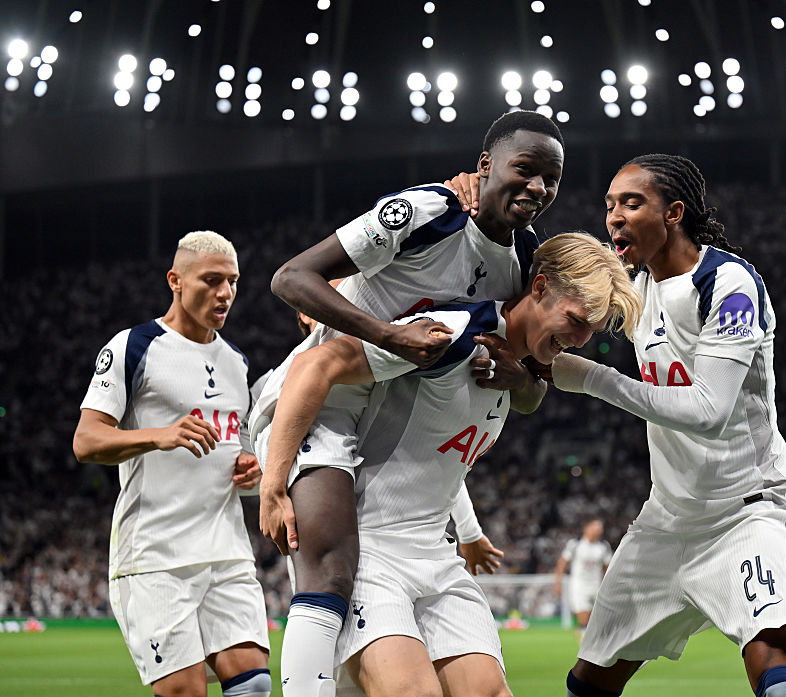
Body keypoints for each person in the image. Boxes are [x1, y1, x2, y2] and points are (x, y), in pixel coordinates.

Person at [259, 110, 565, 696]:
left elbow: (522, 387)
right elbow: (292, 279)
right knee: (332, 563)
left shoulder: (523, 263)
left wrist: (520, 381)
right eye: (524, 170)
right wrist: (385, 333)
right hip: (318, 394)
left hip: (387, 407)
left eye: (550, 180)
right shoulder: (427, 212)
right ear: (485, 166)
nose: (538, 188)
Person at [255, 232, 641, 697]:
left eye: (591, 332)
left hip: (437, 557)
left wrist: (471, 533)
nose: (579, 340)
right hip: (371, 553)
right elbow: (315, 366)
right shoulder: (455, 336)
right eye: (576, 320)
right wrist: (273, 483)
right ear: (538, 288)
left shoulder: (517, 370)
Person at [542, 154, 786, 697]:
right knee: (588, 683)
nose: (614, 217)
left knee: (778, 660)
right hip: (666, 521)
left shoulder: (728, 281)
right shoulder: (637, 290)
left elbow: (708, 412)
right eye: (609, 206)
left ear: (673, 212)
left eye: (631, 202)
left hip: (746, 511)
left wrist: (592, 378)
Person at [72, 231, 271, 697]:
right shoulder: (134, 346)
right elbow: (86, 440)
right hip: (156, 555)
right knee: (185, 691)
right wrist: (158, 436)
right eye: (211, 280)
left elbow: (237, 451)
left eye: (233, 281)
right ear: (175, 281)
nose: (225, 293)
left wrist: (250, 470)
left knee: (255, 683)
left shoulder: (236, 362)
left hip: (225, 549)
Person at [552, 518, 612, 640]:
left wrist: (608, 585)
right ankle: (586, 651)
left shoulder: (603, 547)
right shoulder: (575, 545)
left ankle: (588, 642)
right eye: (595, 526)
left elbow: (608, 567)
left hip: (597, 587)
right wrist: (557, 582)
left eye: (600, 527)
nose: (598, 530)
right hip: (579, 587)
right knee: (583, 619)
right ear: (587, 528)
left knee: (595, 622)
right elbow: (562, 564)